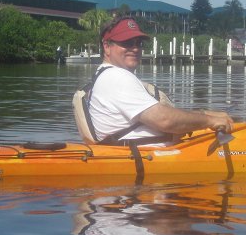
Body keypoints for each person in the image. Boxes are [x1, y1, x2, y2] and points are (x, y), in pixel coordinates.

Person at [84, 17, 233, 145]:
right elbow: (164, 120)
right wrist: (210, 121)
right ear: (107, 47)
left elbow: (161, 116)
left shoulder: (103, 75)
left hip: (142, 152)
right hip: (146, 159)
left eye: (139, 43)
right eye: (128, 43)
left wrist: (203, 113)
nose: (135, 49)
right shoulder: (117, 77)